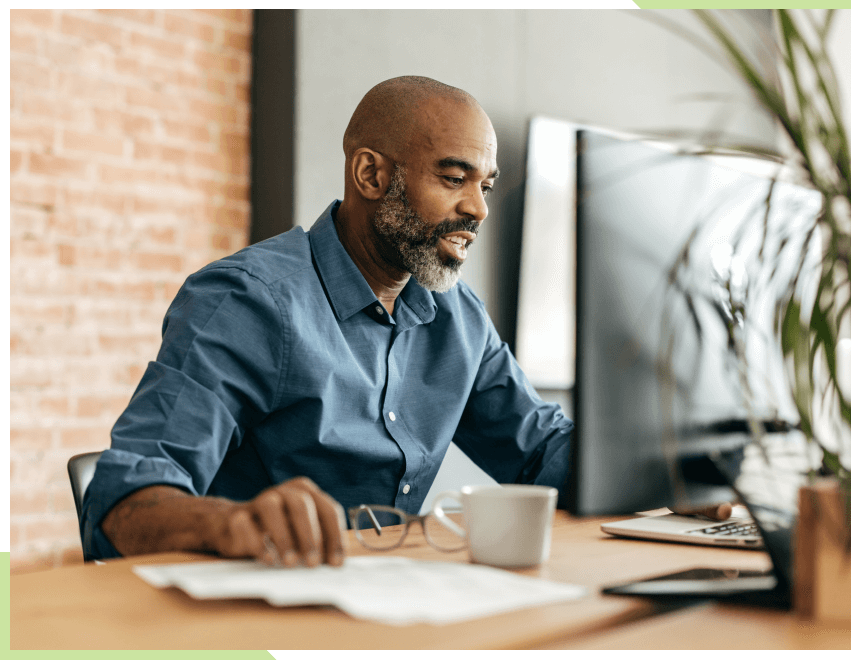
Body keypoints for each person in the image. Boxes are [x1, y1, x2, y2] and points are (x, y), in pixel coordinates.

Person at [82, 76, 728, 566]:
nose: (477, 208)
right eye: (454, 178)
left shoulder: (454, 314)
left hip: (388, 605)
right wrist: (229, 523)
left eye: (486, 185)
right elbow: (123, 498)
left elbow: (540, 453)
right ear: (370, 173)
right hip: (250, 615)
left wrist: (673, 470)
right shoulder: (248, 301)